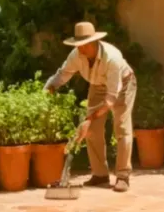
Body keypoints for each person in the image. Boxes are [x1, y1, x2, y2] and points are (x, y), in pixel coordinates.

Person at [44, 21, 137, 193]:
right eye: (77, 45)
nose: (79, 49)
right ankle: (100, 174)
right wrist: (48, 89)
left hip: (123, 85)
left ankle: (123, 176)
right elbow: (62, 74)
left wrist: (88, 118)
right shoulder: (76, 55)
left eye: (83, 45)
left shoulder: (112, 58)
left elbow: (110, 100)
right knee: (92, 130)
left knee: (122, 128)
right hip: (97, 85)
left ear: (94, 42)